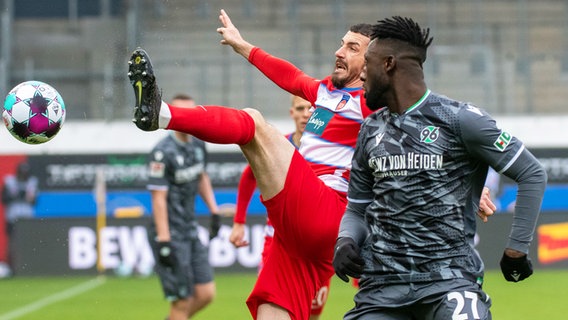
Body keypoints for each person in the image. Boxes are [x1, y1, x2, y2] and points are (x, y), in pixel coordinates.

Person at [127, 9, 495, 319]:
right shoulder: (325, 92)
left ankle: (160, 114)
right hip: (301, 232)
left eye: (353, 48)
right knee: (275, 311)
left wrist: (462, 186)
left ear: (372, 62)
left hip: (330, 212)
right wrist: (244, 47)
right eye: (341, 42)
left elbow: (427, 126)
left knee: (254, 124)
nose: (340, 51)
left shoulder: (372, 102)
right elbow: (288, 75)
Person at [332, 16, 547, 320]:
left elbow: (532, 172)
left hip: (450, 284)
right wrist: (346, 239)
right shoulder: (370, 129)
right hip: (381, 289)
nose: (361, 74)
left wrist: (517, 249)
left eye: (368, 62)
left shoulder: (460, 119)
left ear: (389, 64)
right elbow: (357, 209)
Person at [229, 95, 331, 319]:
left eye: (311, 109)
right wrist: (239, 221)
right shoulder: (279, 147)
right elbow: (248, 177)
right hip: (277, 241)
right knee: (273, 307)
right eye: (300, 108)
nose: (306, 113)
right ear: (291, 113)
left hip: (314, 243)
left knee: (311, 312)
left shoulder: (328, 150)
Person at [145, 94, 222, 320]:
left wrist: (214, 211)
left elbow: (202, 176)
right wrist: (164, 240)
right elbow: (158, 198)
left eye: (191, 113)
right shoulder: (162, 152)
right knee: (182, 301)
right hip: (170, 234)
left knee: (206, 293)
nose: (186, 118)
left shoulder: (198, 144)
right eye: (181, 113)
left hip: (190, 229)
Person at [1, 161, 38, 277]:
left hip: (27, 218)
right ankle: (12, 267)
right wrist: (15, 196)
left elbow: (34, 201)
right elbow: (4, 199)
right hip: (13, 217)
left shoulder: (32, 183)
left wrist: (27, 196)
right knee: (12, 244)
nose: (23, 176)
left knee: (27, 243)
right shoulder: (10, 182)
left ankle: (28, 266)